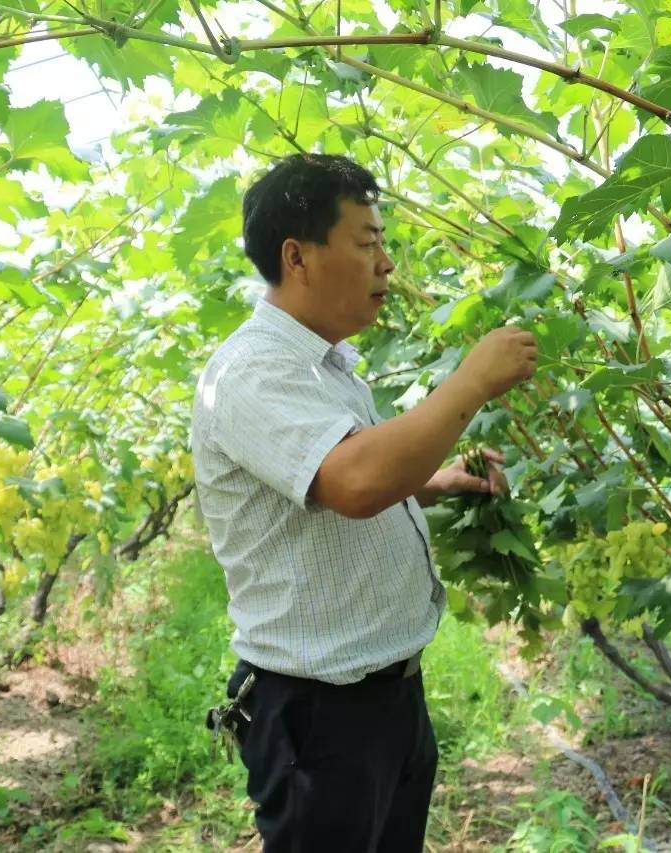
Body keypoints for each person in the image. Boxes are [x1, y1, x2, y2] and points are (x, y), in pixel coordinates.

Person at [189, 153, 537, 852]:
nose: (385, 263)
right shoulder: (253, 369)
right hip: (321, 717)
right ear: (299, 256)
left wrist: (432, 480)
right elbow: (353, 481)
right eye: (367, 242)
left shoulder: (326, 365)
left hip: (384, 698)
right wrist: (469, 383)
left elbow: (331, 480)